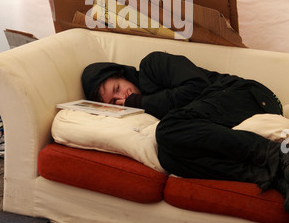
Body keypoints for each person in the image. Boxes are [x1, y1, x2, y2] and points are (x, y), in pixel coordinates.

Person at [82, 51, 289, 212]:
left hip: (248, 95)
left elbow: (196, 86)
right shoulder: (143, 112)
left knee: (167, 129)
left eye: (118, 87)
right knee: (167, 155)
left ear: (122, 74)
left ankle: (279, 154)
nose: (122, 95)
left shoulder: (152, 65)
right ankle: (274, 176)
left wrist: (137, 101)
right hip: (218, 114)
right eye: (113, 100)